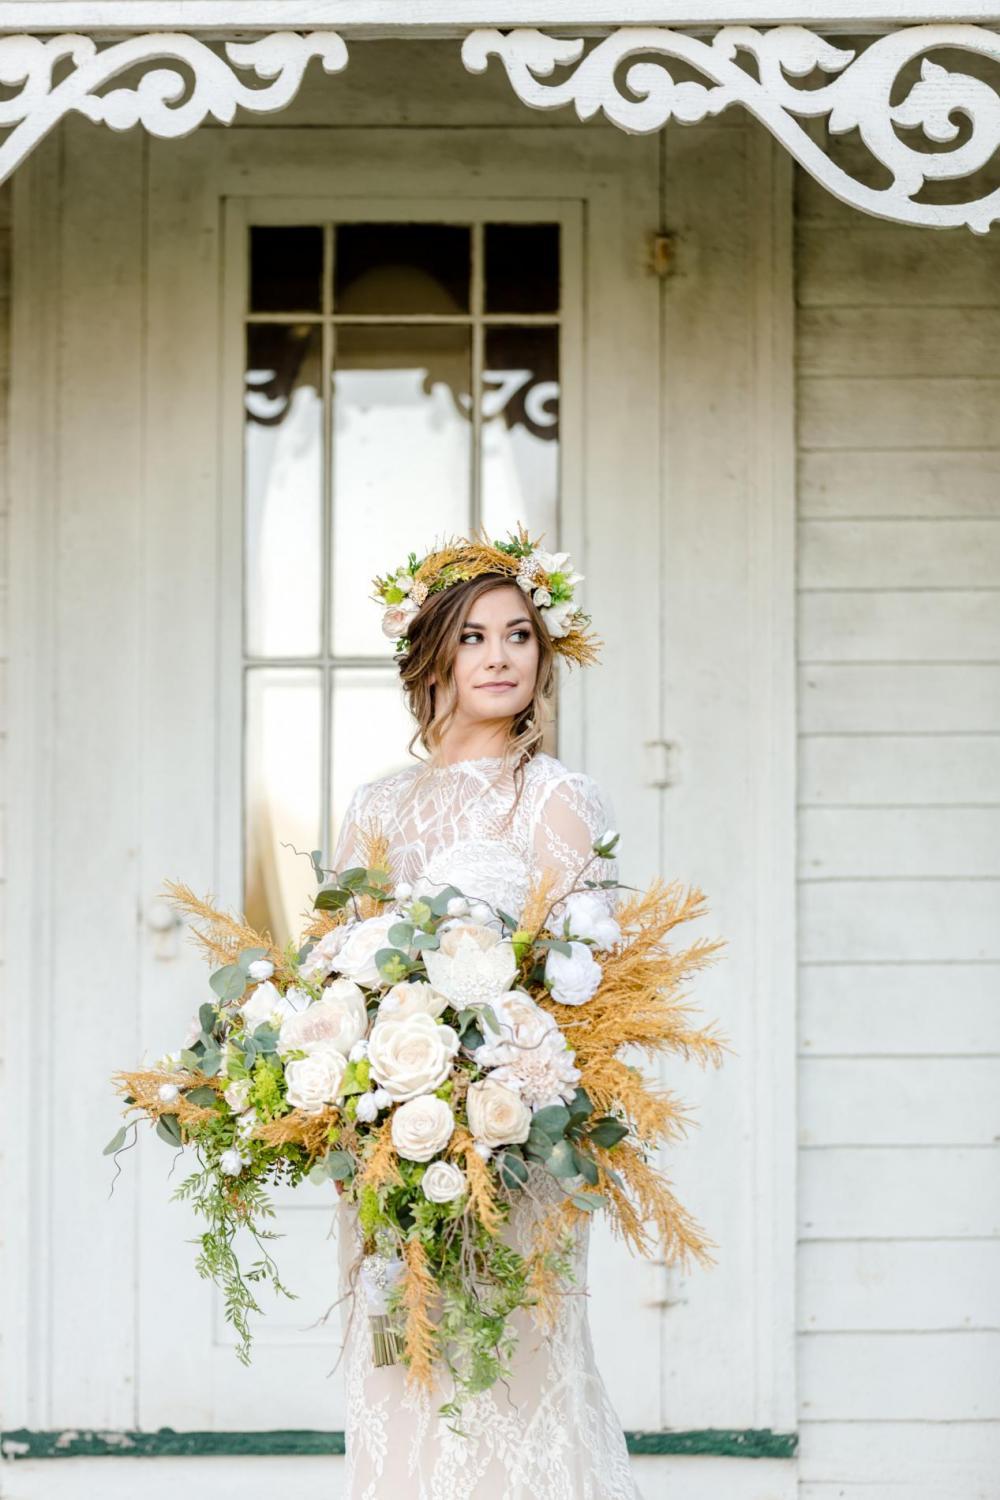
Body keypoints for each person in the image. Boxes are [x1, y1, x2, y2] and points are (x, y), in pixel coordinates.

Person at [329, 524, 642, 1500]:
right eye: (472, 637)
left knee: (513, 1372)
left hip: (513, 1136)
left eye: (518, 635)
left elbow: (588, 978)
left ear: (543, 654)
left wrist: (492, 1088)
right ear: (432, 655)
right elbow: (335, 964)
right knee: (402, 1365)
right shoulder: (376, 805)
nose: (500, 656)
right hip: (395, 1129)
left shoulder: (553, 797)